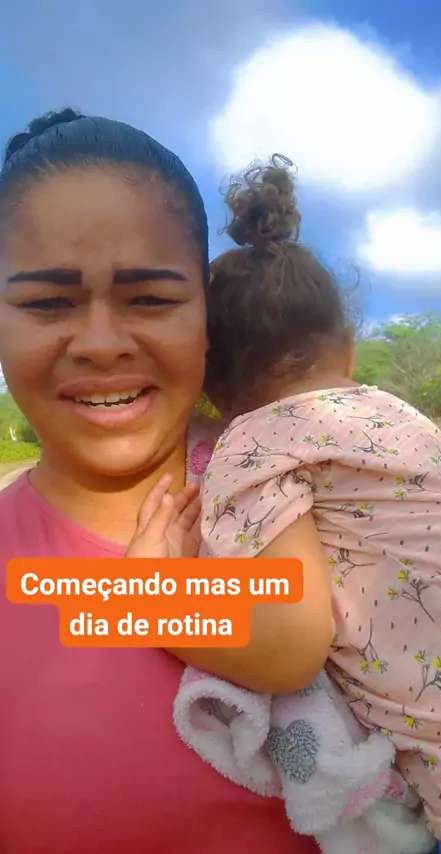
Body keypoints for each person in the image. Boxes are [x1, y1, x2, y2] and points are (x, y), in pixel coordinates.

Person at [0, 112, 319, 854]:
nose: (101, 343)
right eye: (47, 303)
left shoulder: (315, 486)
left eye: (149, 298)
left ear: (207, 311)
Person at [182, 157, 441, 854]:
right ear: (345, 346)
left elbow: (287, 649)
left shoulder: (253, 443)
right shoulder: (409, 423)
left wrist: (135, 598)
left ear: (210, 392)